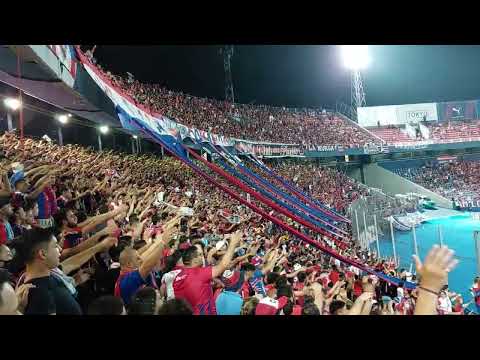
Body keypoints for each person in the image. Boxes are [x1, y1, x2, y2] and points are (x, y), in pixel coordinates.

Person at [167, 231, 242, 315]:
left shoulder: (177, 278)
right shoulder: (199, 273)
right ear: (194, 259)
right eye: (200, 255)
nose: (202, 257)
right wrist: (233, 244)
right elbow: (223, 265)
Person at [15, 228, 83, 315]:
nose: (60, 249)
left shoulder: (46, 279)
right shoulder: (39, 294)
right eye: (55, 246)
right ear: (42, 254)